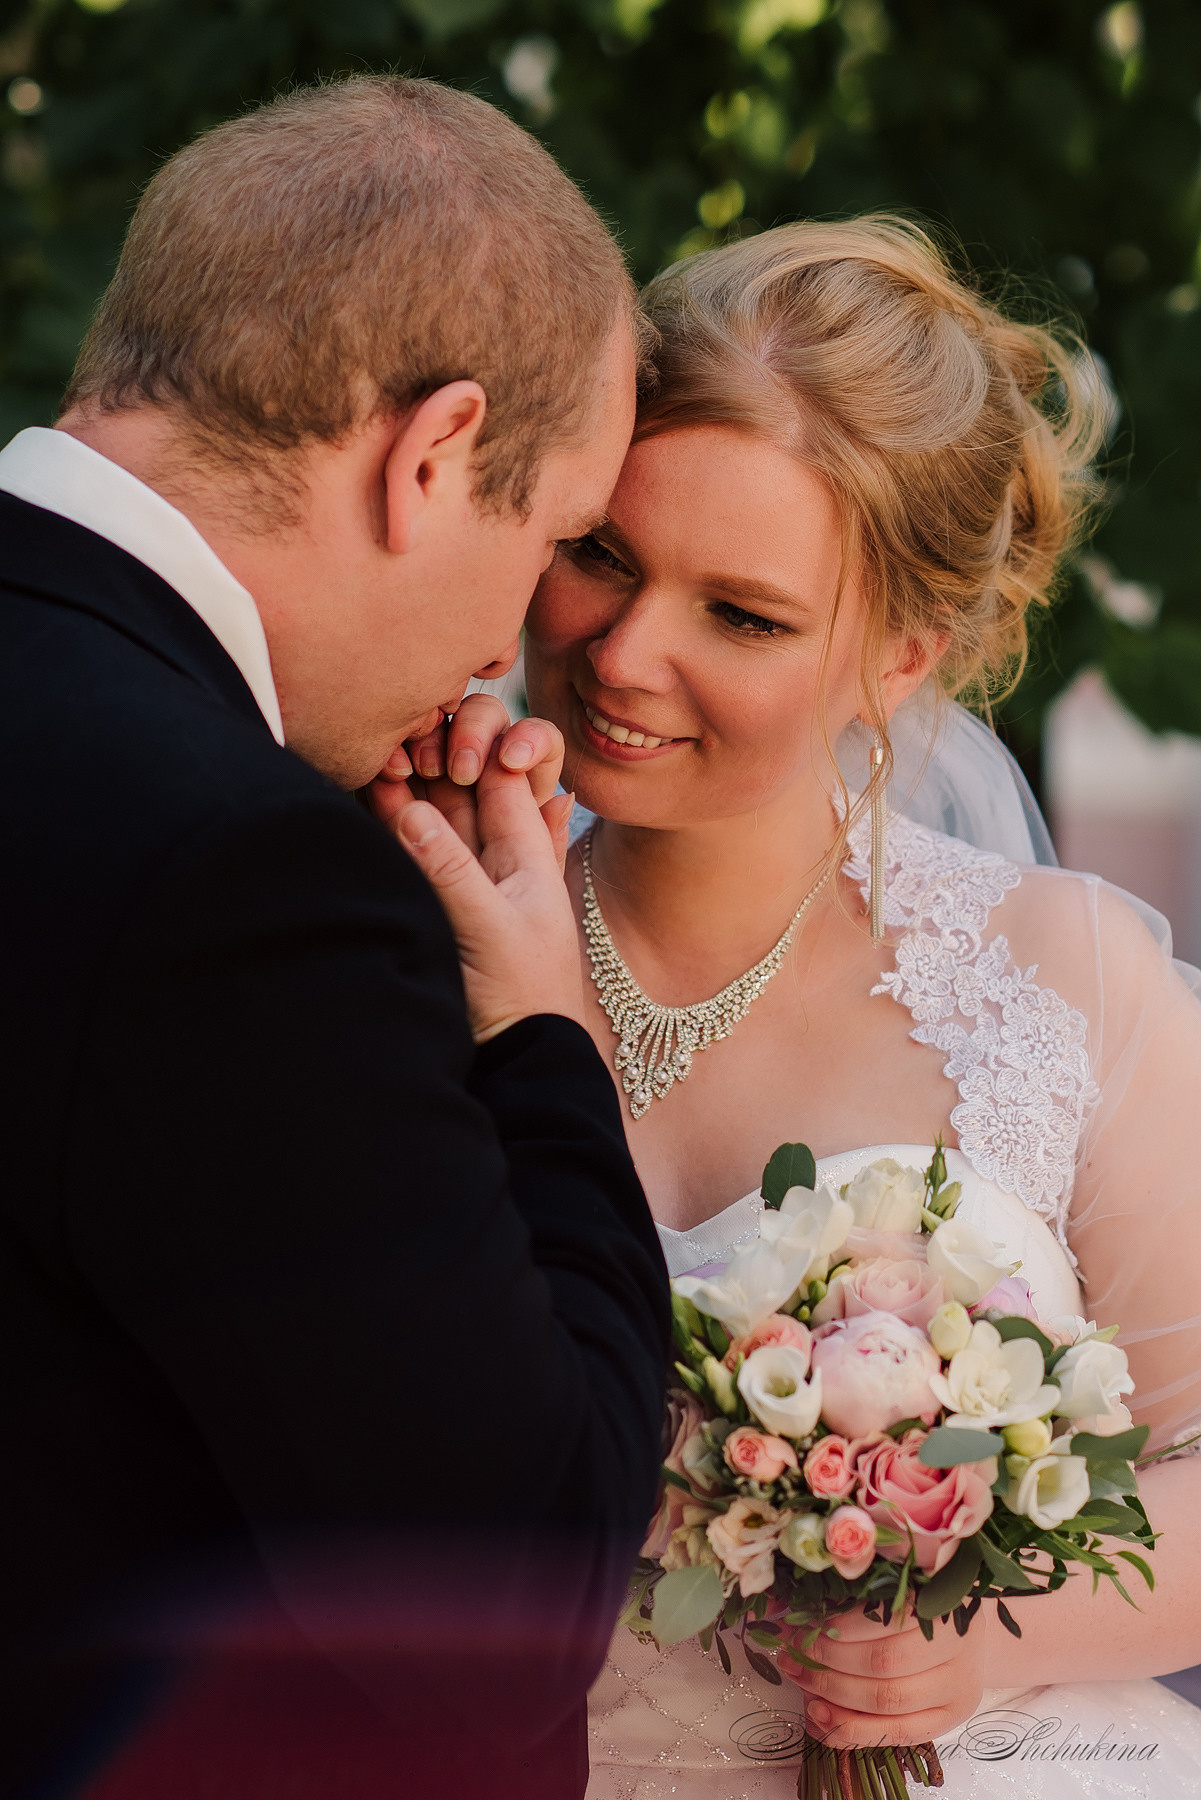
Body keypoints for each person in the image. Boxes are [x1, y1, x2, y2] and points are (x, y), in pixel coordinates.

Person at [0, 75, 670, 1800]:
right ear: (431, 455)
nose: (515, 645)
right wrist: (543, 1043)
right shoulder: (240, 878)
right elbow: (508, 1604)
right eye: (551, 536)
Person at [508, 217, 1201, 1795]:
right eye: (602, 555)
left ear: (898, 657)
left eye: (741, 615)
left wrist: (980, 1638)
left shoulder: (1060, 978)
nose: (625, 653)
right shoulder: (406, 958)